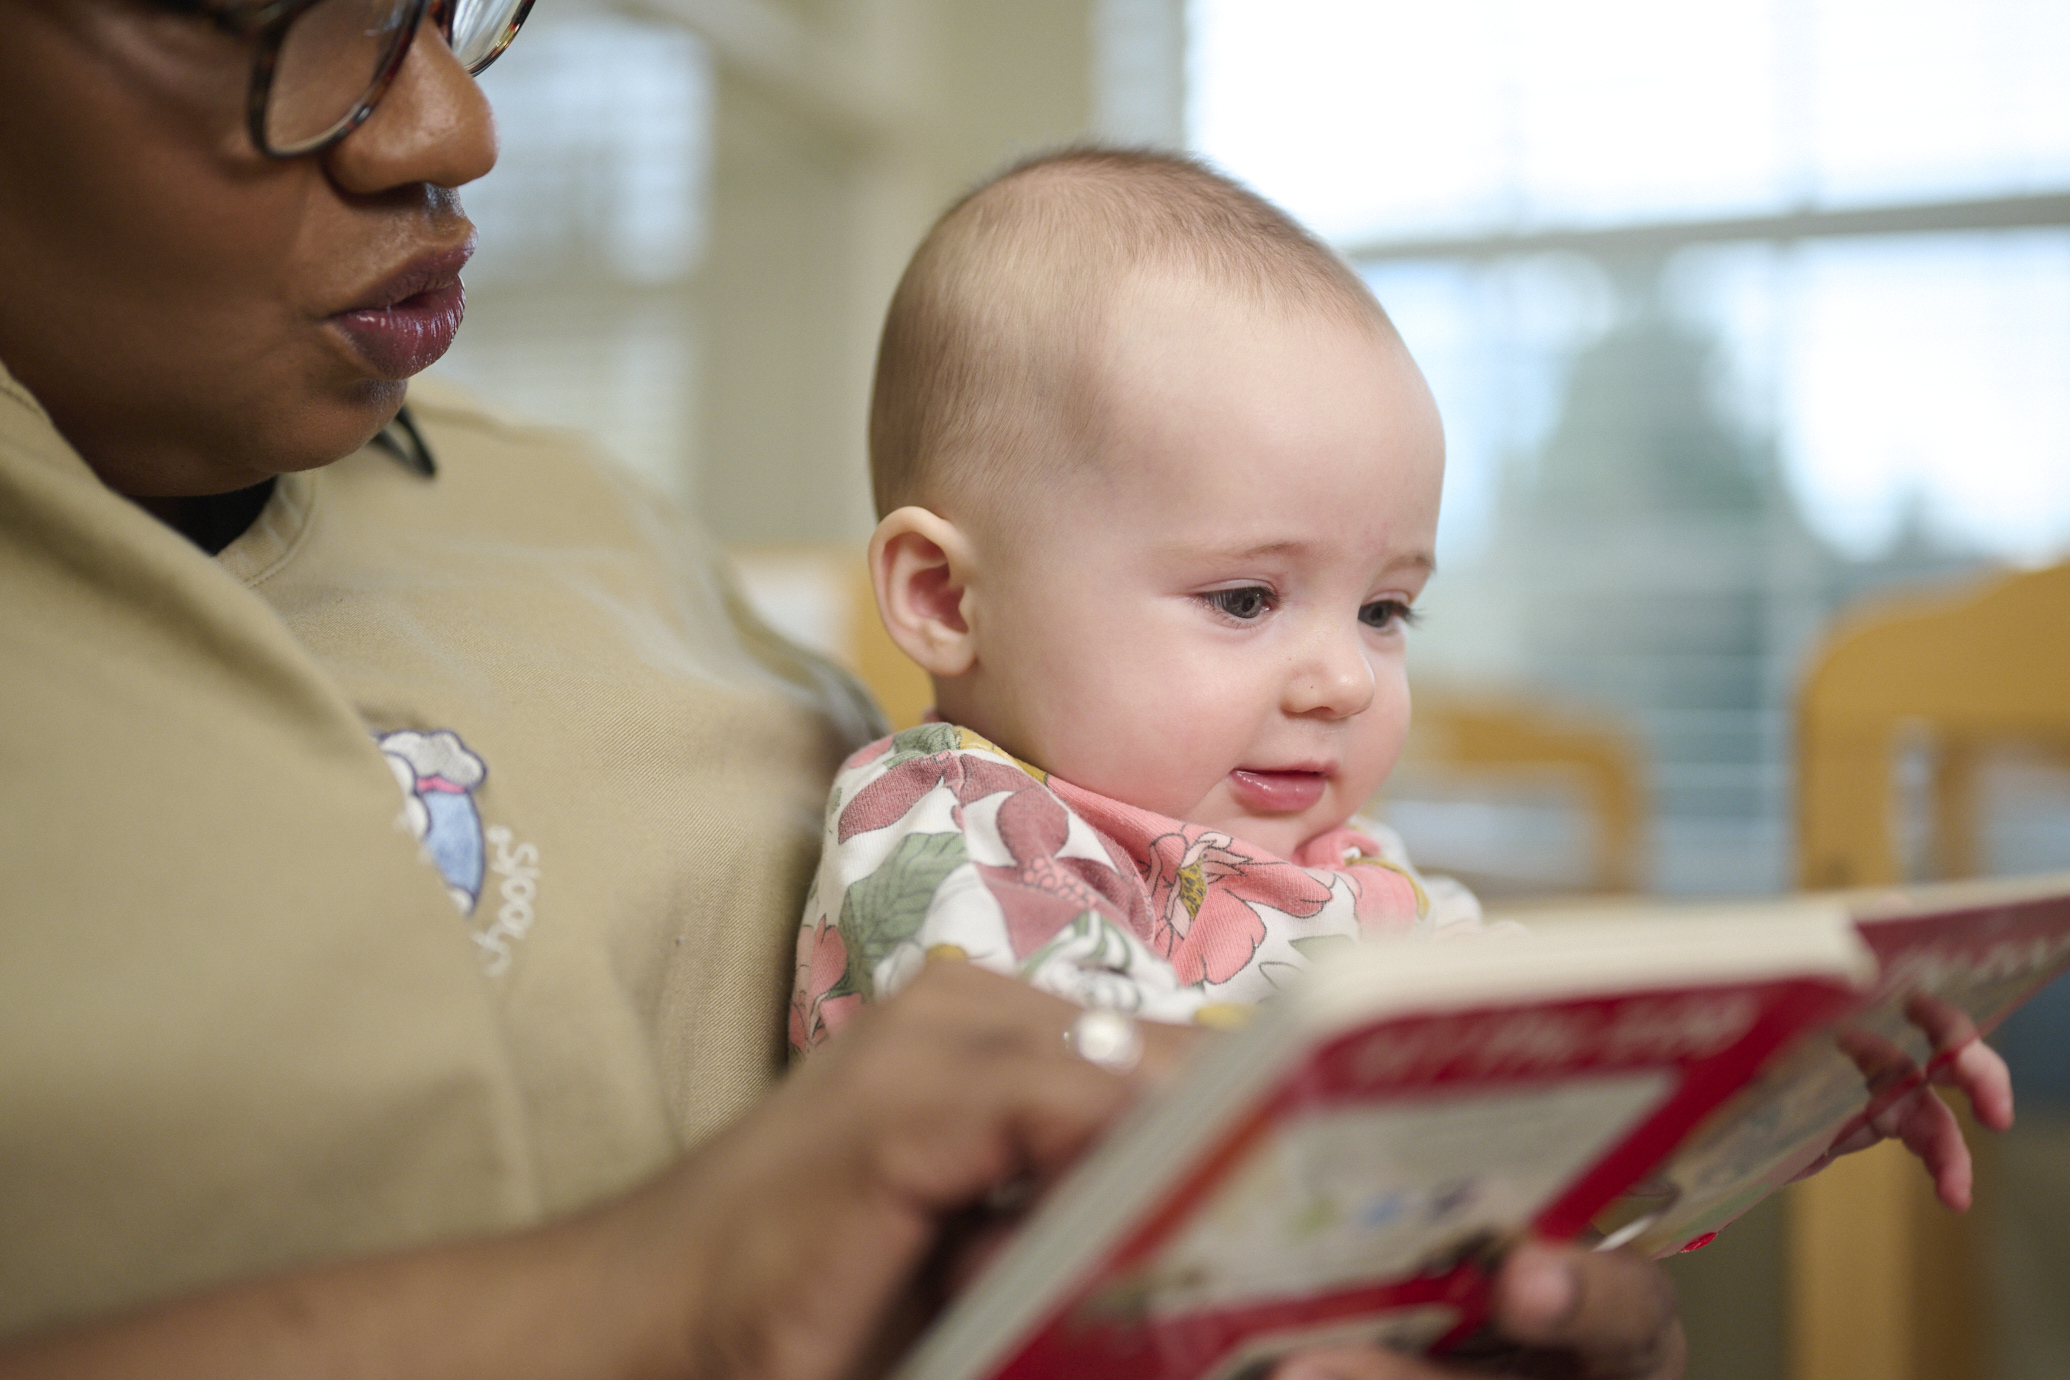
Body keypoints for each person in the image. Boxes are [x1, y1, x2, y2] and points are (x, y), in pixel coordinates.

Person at [0, 0, 1693, 1375]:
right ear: (941, 595)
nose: (455, 125)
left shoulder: (588, 513)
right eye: (280, 13)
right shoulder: (955, 826)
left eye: (451, 8)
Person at [793, 150, 2013, 1216]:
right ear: (948, 599)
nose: (1341, 678)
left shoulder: (1356, 878)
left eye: (1385, 609)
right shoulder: (941, 823)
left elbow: (1547, 1120)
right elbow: (1049, 1101)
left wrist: (1768, 1092)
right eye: (1244, 599)